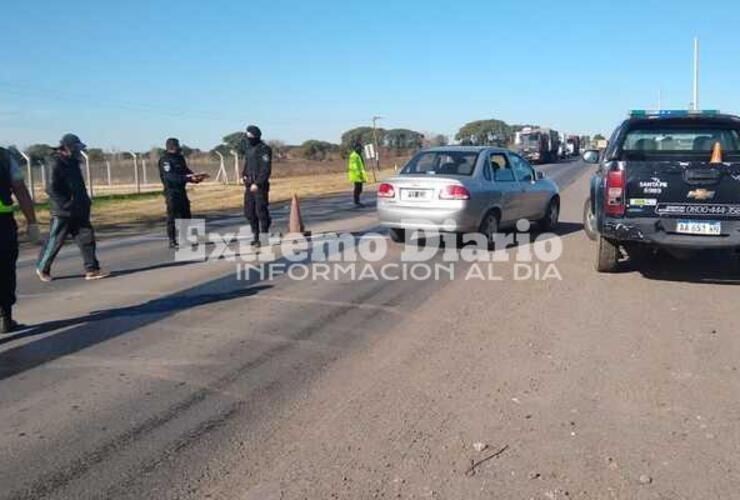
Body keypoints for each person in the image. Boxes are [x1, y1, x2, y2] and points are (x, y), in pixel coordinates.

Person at [36, 134, 108, 282]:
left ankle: (92, 269)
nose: (78, 151)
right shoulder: (55, 162)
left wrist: (85, 201)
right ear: (67, 148)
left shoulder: (73, 162)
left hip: (80, 209)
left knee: (87, 239)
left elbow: (79, 186)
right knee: (55, 240)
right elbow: (51, 188)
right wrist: (66, 203)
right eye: (76, 148)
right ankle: (42, 268)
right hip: (63, 211)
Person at [0, 147, 39, 333]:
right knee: (5, 270)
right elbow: (20, 189)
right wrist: (32, 223)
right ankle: (4, 317)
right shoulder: (3, 156)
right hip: (3, 225)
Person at [158, 138, 206, 249]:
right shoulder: (165, 160)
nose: (177, 148)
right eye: (175, 147)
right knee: (173, 216)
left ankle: (184, 238)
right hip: (171, 191)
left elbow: (186, 171)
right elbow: (170, 177)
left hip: (181, 190)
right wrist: (186, 178)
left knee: (186, 215)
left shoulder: (179, 158)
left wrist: (195, 177)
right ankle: (172, 240)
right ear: (170, 147)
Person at [242, 125, 272, 247]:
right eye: (247, 136)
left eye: (250, 136)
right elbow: (247, 164)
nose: (248, 138)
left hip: (260, 186)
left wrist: (258, 183)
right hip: (249, 185)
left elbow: (266, 169)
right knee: (249, 212)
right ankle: (256, 235)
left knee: (261, 211)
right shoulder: (249, 148)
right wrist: (243, 175)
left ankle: (264, 236)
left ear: (256, 136)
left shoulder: (264, 149)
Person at [347, 141, 369, 207]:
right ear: (356, 148)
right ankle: (356, 201)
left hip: (359, 174)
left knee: (360, 188)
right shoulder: (353, 155)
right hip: (356, 175)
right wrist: (358, 174)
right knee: (358, 188)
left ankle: (357, 200)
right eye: (359, 148)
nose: (361, 150)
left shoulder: (358, 154)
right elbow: (354, 166)